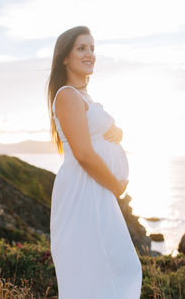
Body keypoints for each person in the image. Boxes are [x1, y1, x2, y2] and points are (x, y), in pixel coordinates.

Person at [47, 25, 142, 299]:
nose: (90, 54)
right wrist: (117, 186)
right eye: (81, 48)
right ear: (65, 57)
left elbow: (98, 132)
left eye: (92, 48)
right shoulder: (67, 95)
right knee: (92, 273)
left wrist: (118, 132)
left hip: (95, 192)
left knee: (117, 267)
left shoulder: (83, 96)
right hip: (83, 192)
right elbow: (85, 155)